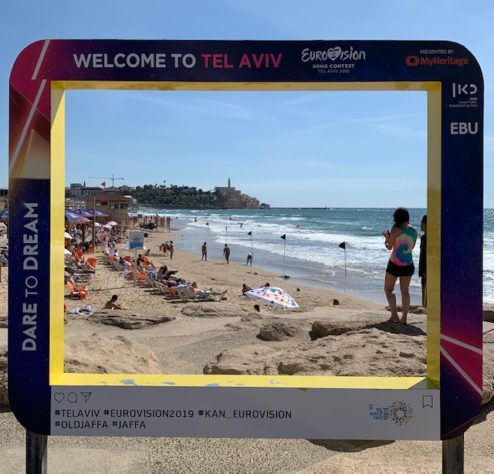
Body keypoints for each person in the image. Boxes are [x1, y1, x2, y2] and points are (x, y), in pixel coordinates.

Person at [383, 207, 418, 325]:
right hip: (408, 264)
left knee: (388, 290)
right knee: (405, 292)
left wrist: (386, 240)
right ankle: (404, 319)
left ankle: (394, 315)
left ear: (396, 218)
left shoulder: (395, 229)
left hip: (394, 264)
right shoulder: (414, 231)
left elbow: (390, 247)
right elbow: (411, 247)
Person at [419, 214, 427, 308]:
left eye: (422, 222)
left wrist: (424, 270)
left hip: (426, 272)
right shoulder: (425, 237)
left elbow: (425, 256)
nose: (420, 224)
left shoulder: (425, 238)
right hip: (426, 271)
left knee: (425, 299)